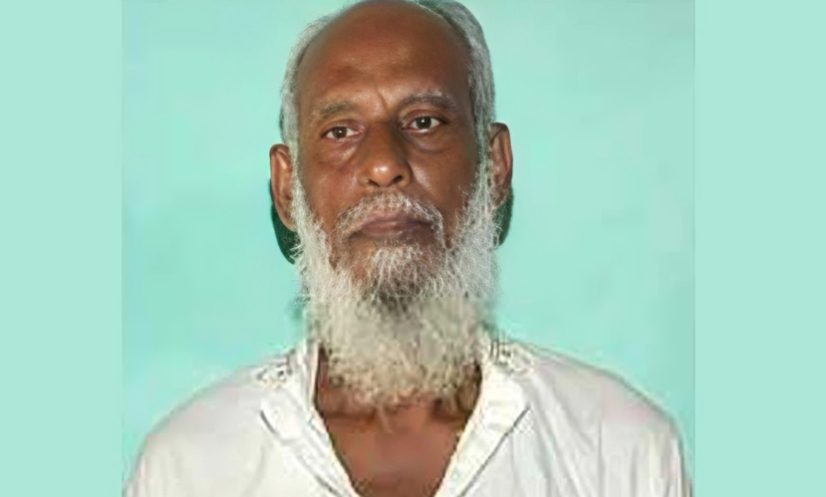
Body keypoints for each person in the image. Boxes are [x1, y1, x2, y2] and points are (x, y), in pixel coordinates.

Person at [126, 1, 691, 496]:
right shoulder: (191, 468)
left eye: (424, 122)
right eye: (341, 131)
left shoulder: (619, 451)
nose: (383, 164)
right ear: (287, 188)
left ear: (494, 167)